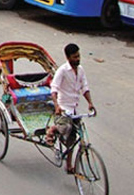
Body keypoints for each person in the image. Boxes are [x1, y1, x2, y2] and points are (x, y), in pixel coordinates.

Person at [45, 43, 96, 174]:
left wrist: (90, 103)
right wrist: (57, 106)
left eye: (78, 56)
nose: (78, 59)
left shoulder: (81, 70)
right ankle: (52, 129)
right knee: (65, 127)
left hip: (74, 110)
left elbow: (84, 88)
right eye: (75, 57)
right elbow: (54, 89)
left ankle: (69, 165)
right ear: (68, 58)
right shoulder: (62, 71)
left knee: (72, 139)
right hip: (63, 108)